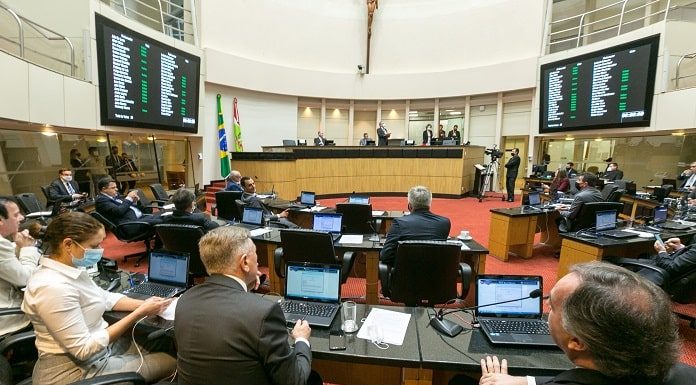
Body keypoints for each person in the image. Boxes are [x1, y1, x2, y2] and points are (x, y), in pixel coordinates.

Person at [21, 212, 176, 385]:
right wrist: (139, 313)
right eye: (94, 245)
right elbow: (84, 349)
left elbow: (105, 298)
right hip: (75, 372)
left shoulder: (70, 269)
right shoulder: (52, 287)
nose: (100, 250)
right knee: (174, 363)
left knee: (162, 342)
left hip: (99, 353)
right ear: (68, 244)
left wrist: (150, 304)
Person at [476, 262, 688, 385]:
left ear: (577, 342)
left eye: (553, 307)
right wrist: (525, 381)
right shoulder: (683, 373)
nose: (547, 308)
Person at [175, 226, 322, 385]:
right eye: (256, 255)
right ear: (245, 261)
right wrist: (301, 340)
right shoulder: (264, 312)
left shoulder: (185, 299)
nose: (258, 262)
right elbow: (295, 380)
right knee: (311, 378)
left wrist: (245, 286)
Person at [379, 186, 451, 266]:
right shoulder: (444, 223)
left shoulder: (399, 223)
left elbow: (385, 256)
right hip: (437, 275)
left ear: (409, 206)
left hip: (405, 276)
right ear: (429, 205)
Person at [0, 197, 41, 337]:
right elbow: (25, 279)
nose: (21, 218)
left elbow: (6, 262)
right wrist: (28, 249)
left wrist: (19, 246)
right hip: (7, 316)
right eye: (16, 215)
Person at [94, 177, 162, 237]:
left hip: (140, 218)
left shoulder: (115, 196)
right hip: (131, 225)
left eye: (116, 187)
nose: (116, 189)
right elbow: (119, 211)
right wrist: (129, 198)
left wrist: (134, 201)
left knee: (166, 217)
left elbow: (127, 206)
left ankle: (160, 243)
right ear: (104, 189)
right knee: (163, 221)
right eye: (113, 188)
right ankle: (162, 244)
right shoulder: (101, 201)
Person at [631, 236, 696, 287]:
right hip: (668, 269)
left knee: (622, 261)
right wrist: (680, 248)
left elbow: (670, 267)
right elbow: (691, 258)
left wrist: (661, 251)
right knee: (644, 255)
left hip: (660, 277)